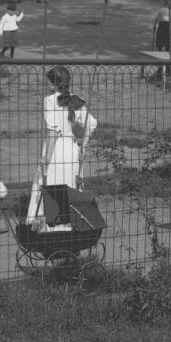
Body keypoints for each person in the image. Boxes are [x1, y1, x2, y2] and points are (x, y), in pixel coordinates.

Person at [26, 65, 98, 230]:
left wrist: (46, 160)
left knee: (46, 184)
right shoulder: (76, 99)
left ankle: (46, 228)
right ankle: (68, 226)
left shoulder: (50, 100)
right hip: (71, 148)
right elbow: (92, 123)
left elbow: (53, 132)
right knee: (69, 185)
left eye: (48, 82)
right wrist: (83, 147)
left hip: (57, 149)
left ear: (53, 84)